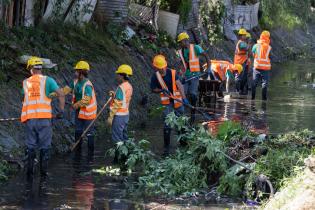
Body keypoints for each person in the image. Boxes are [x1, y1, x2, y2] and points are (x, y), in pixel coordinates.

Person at [21, 56, 65, 178]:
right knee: (45, 147)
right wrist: (61, 111)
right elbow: (61, 94)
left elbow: (23, 98)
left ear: (31, 68)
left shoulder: (25, 82)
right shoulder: (48, 80)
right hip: (44, 120)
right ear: (41, 68)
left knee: (31, 146)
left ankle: (29, 175)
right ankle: (43, 176)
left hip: (30, 120)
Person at [150, 55, 188, 155]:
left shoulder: (172, 72)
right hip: (167, 103)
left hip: (178, 101)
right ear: (156, 67)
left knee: (181, 122)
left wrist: (184, 98)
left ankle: (183, 143)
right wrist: (161, 90)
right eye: (161, 67)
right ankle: (166, 148)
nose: (163, 68)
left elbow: (179, 85)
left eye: (164, 66)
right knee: (167, 125)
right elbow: (153, 89)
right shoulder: (155, 76)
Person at [61, 61, 98, 156]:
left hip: (89, 113)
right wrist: (54, 94)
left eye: (76, 71)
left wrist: (76, 105)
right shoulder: (75, 82)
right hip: (79, 111)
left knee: (89, 133)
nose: (75, 73)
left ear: (82, 72)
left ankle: (90, 155)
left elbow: (86, 100)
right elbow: (65, 90)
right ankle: (78, 152)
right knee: (78, 130)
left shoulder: (87, 85)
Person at [176, 32, 211, 123]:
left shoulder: (196, 48)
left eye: (181, 42)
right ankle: (182, 116)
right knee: (181, 94)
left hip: (195, 76)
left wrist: (208, 68)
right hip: (186, 76)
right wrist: (181, 74)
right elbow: (181, 64)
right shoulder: (180, 51)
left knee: (192, 94)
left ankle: (193, 114)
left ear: (185, 40)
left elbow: (206, 56)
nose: (180, 44)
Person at [107, 64, 133, 143]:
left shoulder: (121, 87)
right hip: (125, 115)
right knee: (124, 137)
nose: (117, 76)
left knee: (117, 138)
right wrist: (114, 95)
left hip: (119, 116)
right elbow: (123, 99)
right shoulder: (129, 86)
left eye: (118, 74)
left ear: (122, 76)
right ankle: (126, 154)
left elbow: (118, 103)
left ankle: (118, 154)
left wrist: (111, 116)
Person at [251, 30, 272, 100]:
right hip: (265, 69)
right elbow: (270, 57)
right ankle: (264, 100)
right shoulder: (269, 47)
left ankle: (252, 98)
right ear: (268, 38)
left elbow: (253, 54)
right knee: (264, 84)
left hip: (256, 67)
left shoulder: (255, 46)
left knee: (254, 83)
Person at [234, 28, 249, 95]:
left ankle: (241, 90)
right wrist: (249, 44)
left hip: (243, 62)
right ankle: (238, 91)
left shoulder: (242, 42)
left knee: (244, 77)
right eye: (244, 35)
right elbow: (247, 48)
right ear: (241, 36)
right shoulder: (241, 43)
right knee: (239, 78)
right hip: (239, 62)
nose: (246, 36)